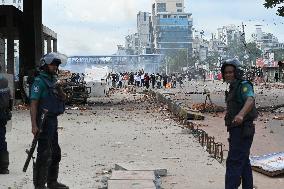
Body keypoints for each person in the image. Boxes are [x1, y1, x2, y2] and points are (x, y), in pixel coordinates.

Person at [30, 52, 69, 189]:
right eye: (53, 64)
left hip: (53, 120)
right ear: (45, 65)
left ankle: (52, 182)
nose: (55, 67)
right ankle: (40, 185)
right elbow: (33, 104)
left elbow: (63, 99)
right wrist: (34, 125)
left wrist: (60, 90)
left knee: (55, 152)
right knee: (44, 153)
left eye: (57, 65)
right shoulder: (39, 81)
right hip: (43, 121)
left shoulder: (54, 81)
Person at [221, 58, 258, 189]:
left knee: (233, 162)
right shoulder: (233, 87)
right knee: (244, 161)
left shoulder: (244, 85)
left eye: (231, 72)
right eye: (226, 72)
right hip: (235, 130)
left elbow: (250, 99)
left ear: (237, 72)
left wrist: (241, 115)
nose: (228, 75)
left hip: (243, 130)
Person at [0, 65, 12, 174]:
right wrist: (9, 113)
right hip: (3, 115)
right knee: (1, 139)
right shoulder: (4, 80)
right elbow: (10, 99)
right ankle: (4, 166)